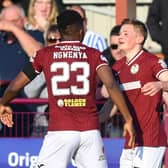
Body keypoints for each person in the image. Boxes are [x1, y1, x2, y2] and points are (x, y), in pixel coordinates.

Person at [0, 10, 135, 167]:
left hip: (60, 131)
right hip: (89, 132)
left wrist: (3, 102)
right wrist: (128, 118)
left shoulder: (44, 54)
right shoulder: (94, 55)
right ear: (81, 31)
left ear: (60, 31)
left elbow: (17, 84)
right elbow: (111, 85)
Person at [111, 18, 167, 168]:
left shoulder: (152, 61)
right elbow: (111, 101)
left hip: (151, 139)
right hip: (131, 139)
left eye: (125, 33)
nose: (120, 37)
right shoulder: (117, 67)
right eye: (119, 33)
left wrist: (160, 84)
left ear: (139, 39)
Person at [0, 4, 44, 136]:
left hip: (24, 102)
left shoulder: (34, 35)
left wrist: (14, 29)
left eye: (14, 21)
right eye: (6, 21)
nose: (9, 25)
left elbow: (39, 54)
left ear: (24, 20)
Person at [24, 24, 61, 137]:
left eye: (61, 40)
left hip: (68, 124)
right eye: (52, 40)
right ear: (46, 43)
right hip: (43, 124)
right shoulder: (37, 59)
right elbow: (29, 93)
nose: (57, 44)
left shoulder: (75, 60)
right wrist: (47, 68)